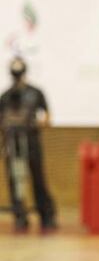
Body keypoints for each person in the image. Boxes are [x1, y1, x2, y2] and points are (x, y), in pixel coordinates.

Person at [0, 56, 57, 233]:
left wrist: (36, 124)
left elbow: (47, 116)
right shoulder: (6, 96)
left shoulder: (35, 93)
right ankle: (20, 215)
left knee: (38, 178)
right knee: (15, 179)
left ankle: (46, 215)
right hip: (12, 143)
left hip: (31, 141)